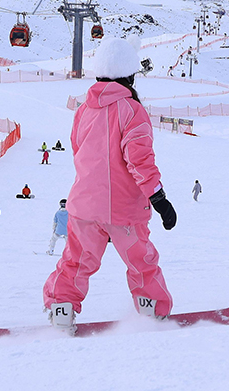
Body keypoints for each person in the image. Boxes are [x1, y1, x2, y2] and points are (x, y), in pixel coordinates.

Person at [43, 37, 177, 333]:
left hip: (84, 207)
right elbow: (139, 160)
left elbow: (79, 152)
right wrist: (159, 198)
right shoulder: (132, 111)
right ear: (129, 74)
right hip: (124, 210)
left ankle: (62, 308)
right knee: (141, 260)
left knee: (76, 261)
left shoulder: (83, 110)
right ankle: (150, 307)